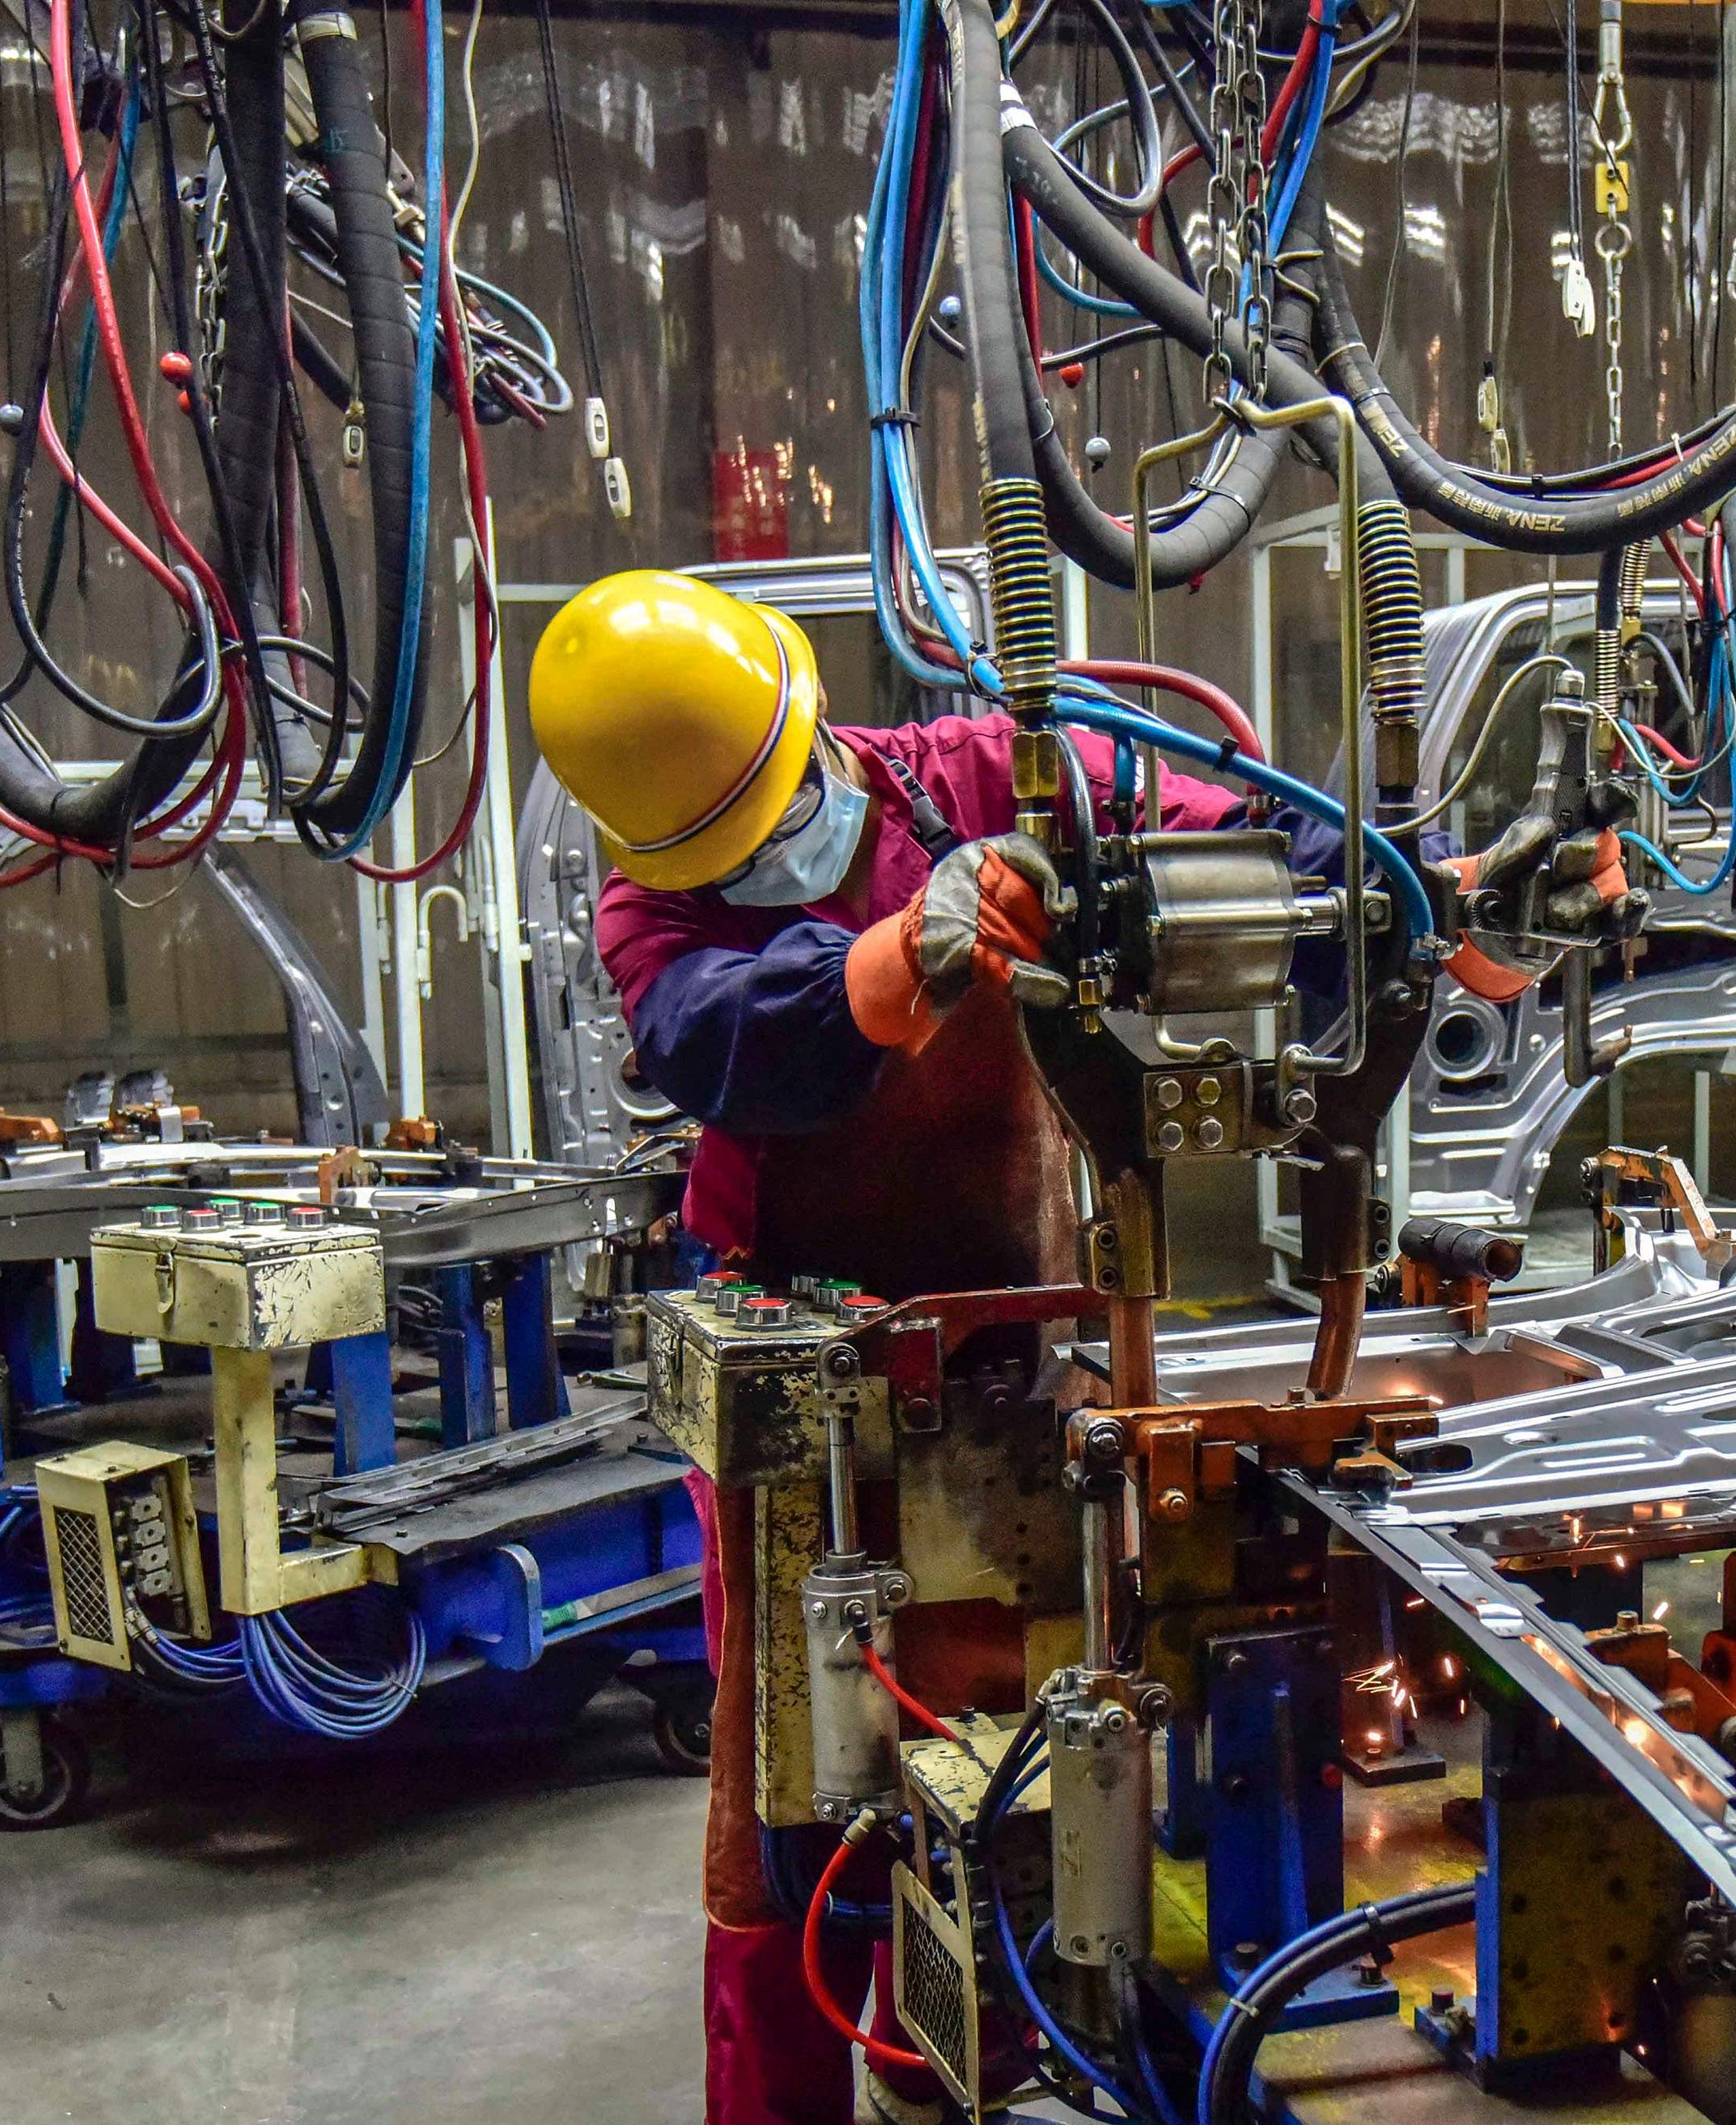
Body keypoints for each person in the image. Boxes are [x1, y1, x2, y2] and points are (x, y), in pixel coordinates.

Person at [531, 570, 1244, 2125]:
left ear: (814, 730)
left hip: (1017, 1340)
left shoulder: (988, 775)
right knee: (795, 1775)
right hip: (802, 1380)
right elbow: (716, 1035)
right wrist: (890, 963)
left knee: (1001, 1748)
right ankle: (782, 2094)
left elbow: (1236, 840)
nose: (773, 861)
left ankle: (947, 2069)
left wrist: (1421, 902)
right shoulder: (651, 906)